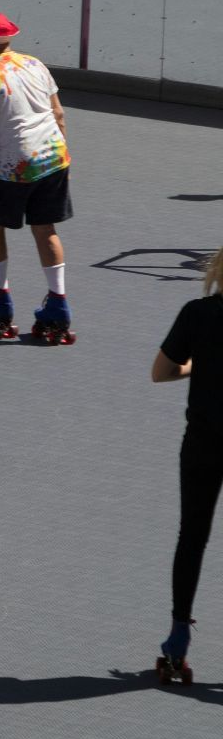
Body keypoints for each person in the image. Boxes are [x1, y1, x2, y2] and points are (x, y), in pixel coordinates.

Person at [0, 11, 74, 344]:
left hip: (15, 166)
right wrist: (62, 158)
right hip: (54, 158)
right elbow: (58, 114)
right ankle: (58, 306)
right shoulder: (35, 64)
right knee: (45, 229)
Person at [151, 249, 222, 684]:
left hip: (203, 444)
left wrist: (197, 366)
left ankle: (178, 640)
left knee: (192, 536)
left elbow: (161, 372)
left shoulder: (197, 313)